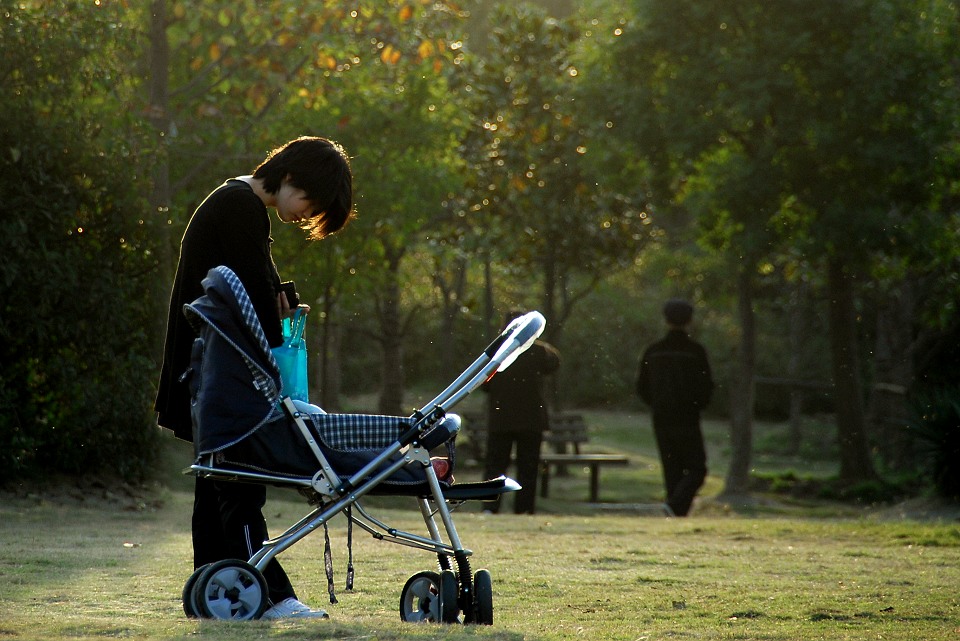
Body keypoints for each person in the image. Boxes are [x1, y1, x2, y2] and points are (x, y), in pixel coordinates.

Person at [155, 136, 353, 619]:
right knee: (240, 483)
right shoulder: (242, 209)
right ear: (290, 179)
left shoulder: (235, 204)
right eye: (311, 203)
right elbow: (254, 302)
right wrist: (275, 313)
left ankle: (214, 595)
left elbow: (255, 284)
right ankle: (269, 596)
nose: (305, 216)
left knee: (216, 487)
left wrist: (277, 296)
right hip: (220, 379)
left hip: (204, 376)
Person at [635, 299, 713, 517]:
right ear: (689, 320)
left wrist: (657, 403)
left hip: (661, 415)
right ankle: (677, 508)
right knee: (697, 468)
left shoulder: (654, 351)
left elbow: (642, 387)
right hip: (688, 415)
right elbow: (706, 386)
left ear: (666, 319)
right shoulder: (695, 351)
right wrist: (698, 405)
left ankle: (674, 508)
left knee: (672, 468)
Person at [482, 312, 561, 514]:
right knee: (528, 467)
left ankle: (490, 506)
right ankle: (524, 508)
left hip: (501, 419)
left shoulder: (498, 352)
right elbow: (555, 362)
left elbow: (484, 383)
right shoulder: (539, 352)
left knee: (495, 466)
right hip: (530, 419)